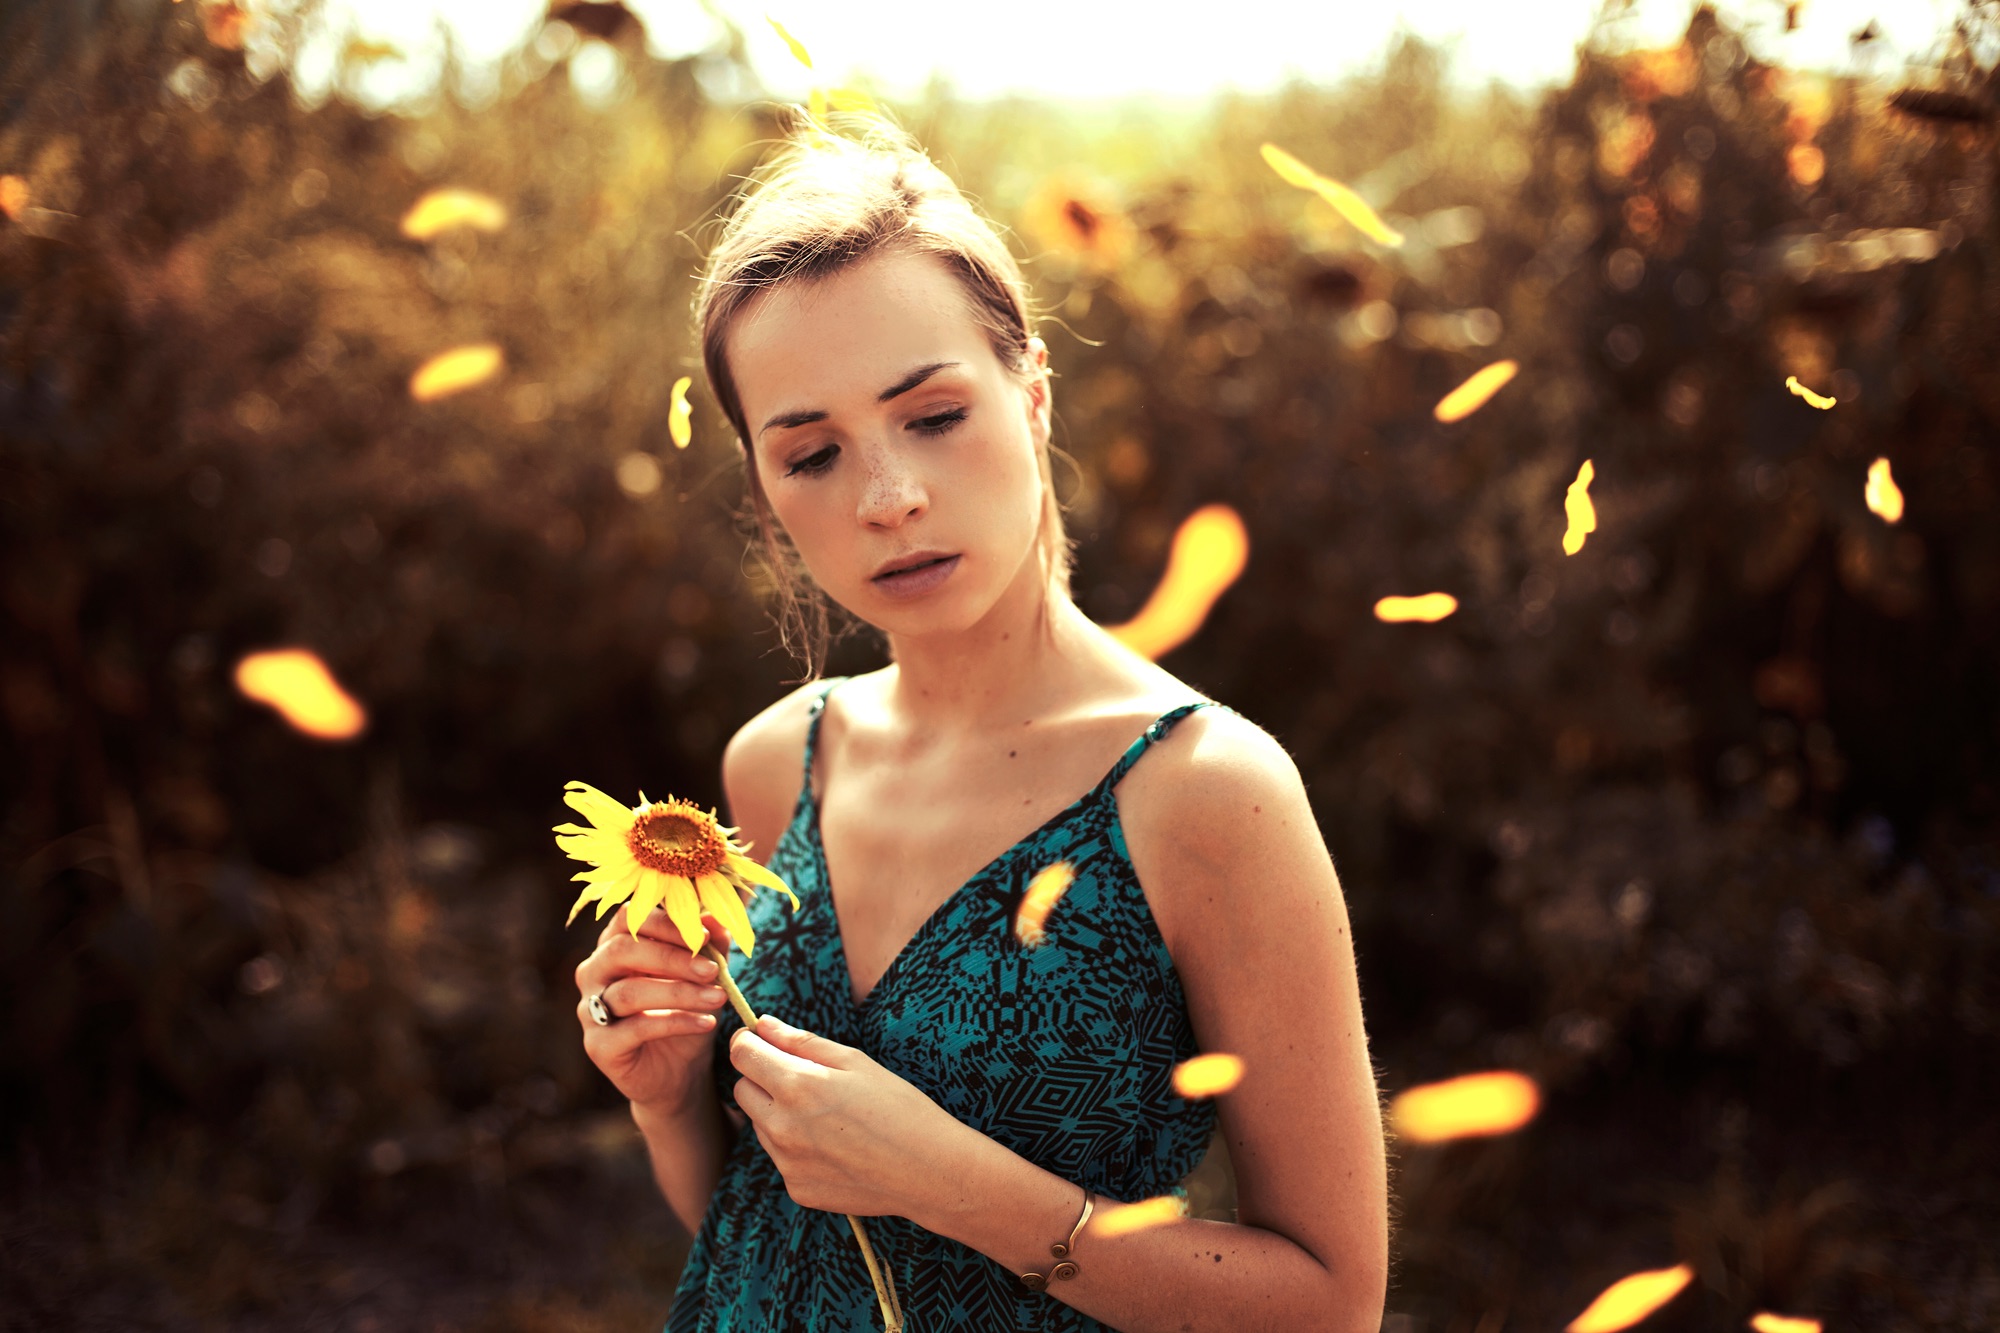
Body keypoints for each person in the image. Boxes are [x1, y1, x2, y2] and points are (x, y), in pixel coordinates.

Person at [571, 110, 1387, 1332]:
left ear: (1033, 396)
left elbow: (1331, 1305)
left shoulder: (1203, 791)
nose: (889, 496)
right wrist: (661, 1094)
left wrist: (957, 1185)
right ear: (762, 486)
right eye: (812, 454)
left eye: (934, 416)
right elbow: (763, 1233)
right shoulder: (771, 765)